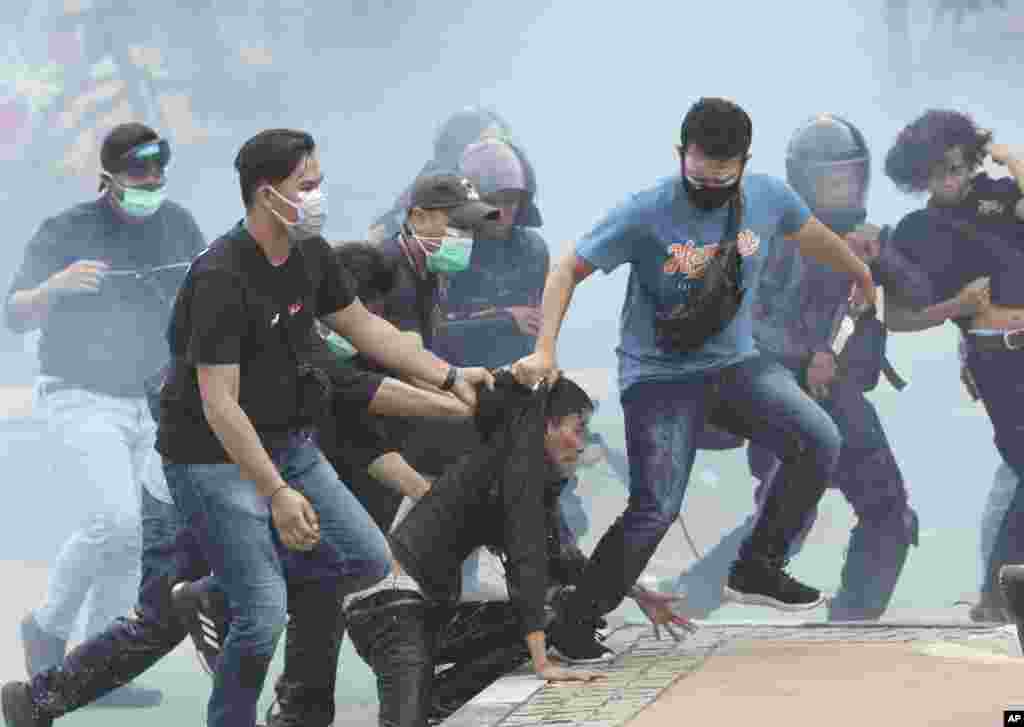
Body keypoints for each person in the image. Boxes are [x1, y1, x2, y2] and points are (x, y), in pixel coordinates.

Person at [0, 241, 478, 727]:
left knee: (320, 577)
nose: (360, 327)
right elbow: (352, 394)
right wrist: (454, 401)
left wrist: (457, 399)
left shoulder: (308, 334)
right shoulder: (263, 323)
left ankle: (299, 710)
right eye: (355, 313)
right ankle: (39, 698)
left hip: (245, 486)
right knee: (160, 622)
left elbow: (359, 416)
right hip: (185, 494)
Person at [511, 97, 877, 661]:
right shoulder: (645, 210)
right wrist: (545, 347)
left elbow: (810, 234)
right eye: (699, 173)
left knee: (820, 438)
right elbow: (568, 269)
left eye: (723, 175)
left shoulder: (770, 197)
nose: (709, 185)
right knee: (657, 505)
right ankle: (576, 622)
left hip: (734, 365)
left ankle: (758, 565)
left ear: (744, 161)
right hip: (659, 377)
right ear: (681, 154)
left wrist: (859, 270)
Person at [153, 128, 494, 727]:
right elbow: (219, 406)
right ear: (265, 195)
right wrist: (279, 495)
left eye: (318, 183)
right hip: (211, 455)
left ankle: (219, 590)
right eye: (306, 186)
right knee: (261, 616)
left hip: (288, 440)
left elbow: (367, 330)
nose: (318, 196)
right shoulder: (221, 276)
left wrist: (449, 377)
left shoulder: (311, 255)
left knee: (365, 561)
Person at [674, 114, 921, 621]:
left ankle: (854, 618)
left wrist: (883, 257)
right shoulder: (776, 238)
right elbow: (752, 323)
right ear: (805, 180)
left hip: (843, 399)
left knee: (888, 513)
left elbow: (918, 295)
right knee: (788, 517)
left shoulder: (867, 237)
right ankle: (688, 598)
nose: (844, 188)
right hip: (783, 401)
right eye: (832, 179)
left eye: (851, 177)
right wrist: (809, 355)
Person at [5, 122, 205, 707]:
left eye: (158, 171)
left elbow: (207, 297)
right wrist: (54, 288)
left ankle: (95, 667)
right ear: (110, 176)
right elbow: (13, 312)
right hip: (79, 393)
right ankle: (46, 626)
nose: (152, 181)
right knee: (113, 522)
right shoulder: (66, 229)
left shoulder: (180, 226)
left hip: (154, 400)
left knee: (137, 536)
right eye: (139, 172)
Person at [883, 109, 1024, 616]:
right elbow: (897, 318)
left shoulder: (1002, 198)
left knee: (1016, 474)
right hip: (996, 356)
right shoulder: (916, 231)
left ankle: (997, 595)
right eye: (941, 170)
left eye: (961, 166)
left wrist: (1014, 162)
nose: (954, 179)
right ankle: (996, 596)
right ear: (919, 174)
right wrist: (956, 308)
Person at [432, 135, 549, 368]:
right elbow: (431, 332)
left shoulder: (533, 250)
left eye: (509, 201)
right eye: (491, 202)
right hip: (453, 374)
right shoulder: (446, 249)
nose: (501, 212)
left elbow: (534, 328)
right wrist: (503, 318)